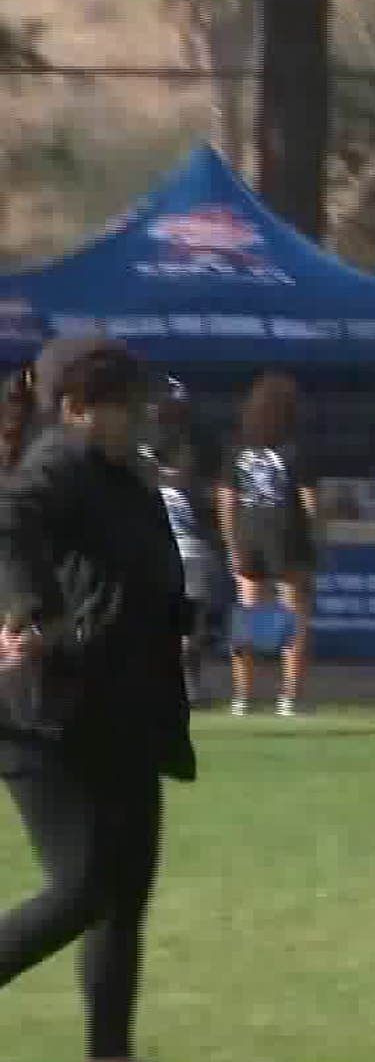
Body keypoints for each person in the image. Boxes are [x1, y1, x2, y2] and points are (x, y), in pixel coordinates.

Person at [0, 336, 196, 1062]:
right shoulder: (62, 464)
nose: (142, 416)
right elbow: (9, 521)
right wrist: (27, 611)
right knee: (83, 887)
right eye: (129, 405)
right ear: (79, 410)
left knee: (121, 904)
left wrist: (179, 616)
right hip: (49, 718)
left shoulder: (123, 476)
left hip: (123, 714)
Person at [216, 371, 318, 717]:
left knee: (250, 617)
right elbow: (311, 502)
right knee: (294, 617)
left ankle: (243, 697)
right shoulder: (297, 451)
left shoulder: (239, 450)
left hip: (249, 534)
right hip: (288, 535)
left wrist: (231, 543)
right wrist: (318, 534)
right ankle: (290, 697)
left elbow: (227, 499)